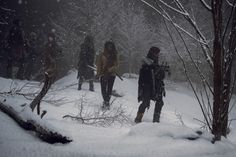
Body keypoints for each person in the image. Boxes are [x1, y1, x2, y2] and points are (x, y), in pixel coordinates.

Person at [134, 47, 166, 123]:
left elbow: (161, 77)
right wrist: (153, 70)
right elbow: (144, 77)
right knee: (145, 102)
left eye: (157, 53)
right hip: (147, 86)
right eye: (156, 53)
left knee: (159, 102)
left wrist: (160, 72)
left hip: (156, 86)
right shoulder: (146, 63)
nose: (157, 55)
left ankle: (156, 121)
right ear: (152, 53)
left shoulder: (156, 63)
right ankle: (138, 118)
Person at [96, 41, 119, 109]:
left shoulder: (115, 54)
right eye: (108, 46)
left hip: (112, 74)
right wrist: (98, 74)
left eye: (111, 46)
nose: (109, 47)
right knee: (103, 89)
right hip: (103, 74)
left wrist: (110, 69)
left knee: (109, 89)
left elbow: (117, 65)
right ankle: (106, 101)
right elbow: (99, 65)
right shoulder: (102, 54)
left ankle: (106, 102)